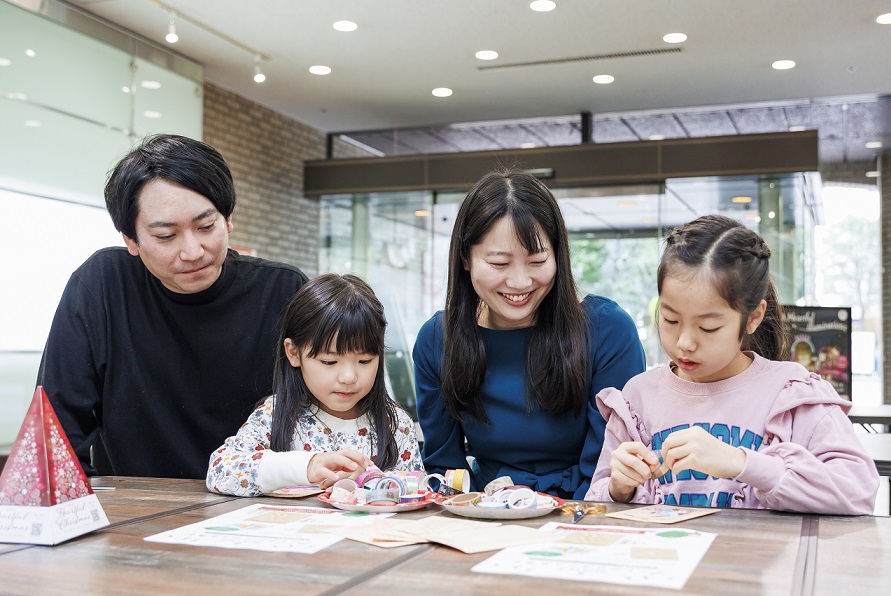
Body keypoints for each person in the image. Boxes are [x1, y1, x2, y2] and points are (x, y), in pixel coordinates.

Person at [38, 134, 308, 479]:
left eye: (206, 226)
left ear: (227, 220)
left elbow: (331, 409)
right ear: (131, 240)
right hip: (136, 512)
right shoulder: (102, 286)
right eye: (167, 236)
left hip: (258, 505)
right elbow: (56, 434)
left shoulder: (283, 291)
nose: (193, 251)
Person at [585, 214, 879, 515]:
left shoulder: (791, 393)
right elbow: (598, 501)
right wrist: (618, 488)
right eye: (670, 319)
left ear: (753, 317)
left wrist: (743, 463)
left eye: (708, 327)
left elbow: (858, 490)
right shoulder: (638, 397)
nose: (685, 342)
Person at [413, 170, 646, 500]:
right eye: (499, 263)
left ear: (557, 254)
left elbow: (607, 468)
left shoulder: (607, 331)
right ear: (465, 258)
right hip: (485, 513)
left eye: (537, 260)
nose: (520, 282)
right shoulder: (438, 339)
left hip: (585, 512)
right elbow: (445, 470)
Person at [207, 274, 422, 497]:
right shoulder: (275, 414)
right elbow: (221, 471)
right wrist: (306, 467)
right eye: (329, 361)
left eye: (364, 361)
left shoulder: (395, 424)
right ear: (293, 353)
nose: (349, 377)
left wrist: (375, 482)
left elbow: (417, 493)